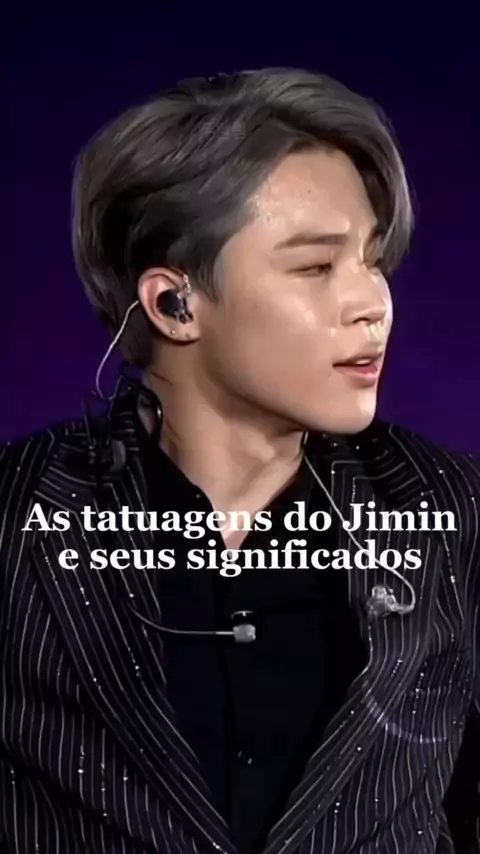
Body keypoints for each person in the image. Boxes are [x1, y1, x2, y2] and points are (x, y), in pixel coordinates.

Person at [0, 68, 478, 854]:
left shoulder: (456, 509)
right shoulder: (16, 513)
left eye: (373, 260)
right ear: (174, 304)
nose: (373, 304)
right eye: (317, 266)